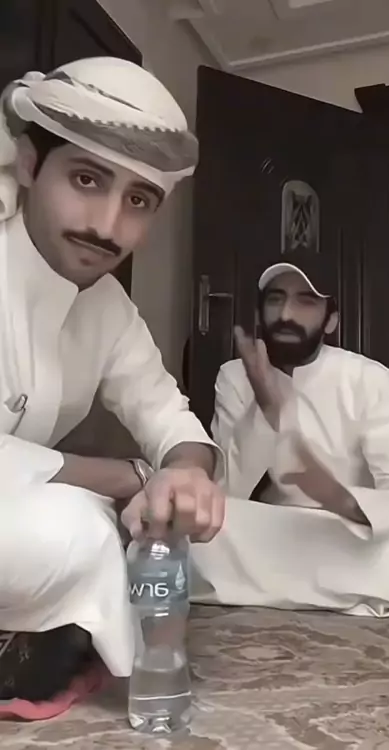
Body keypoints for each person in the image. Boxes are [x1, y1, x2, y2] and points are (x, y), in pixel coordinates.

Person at [0, 57, 225, 706]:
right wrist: (129, 476)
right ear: (29, 164)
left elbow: (168, 415)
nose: (107, 226)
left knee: (152, 526)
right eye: (86, 179)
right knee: (77, 529)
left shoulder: (109, 308)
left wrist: (184, 475)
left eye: (138, 200)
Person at [189, 261, 389, 617]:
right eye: (275, 299)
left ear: (330, 320)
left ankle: (254, 588)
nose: (286, 314)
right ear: (259, 314)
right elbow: (226, 494)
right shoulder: (235, 376)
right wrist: (265, 406)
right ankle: (353, 594)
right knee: (183, 533)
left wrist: (339, 498)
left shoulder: (371, 380)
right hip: (271, 530)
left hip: (349, 534)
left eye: (305, 301)